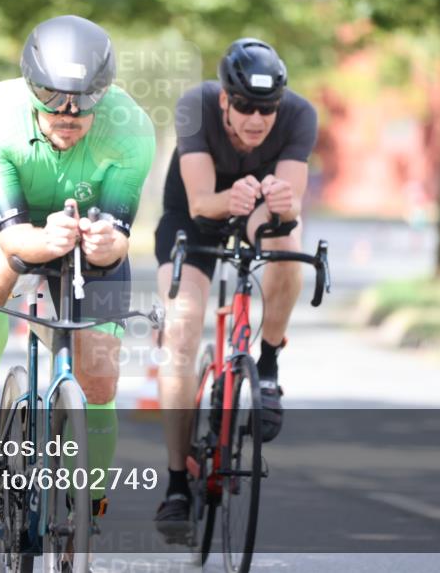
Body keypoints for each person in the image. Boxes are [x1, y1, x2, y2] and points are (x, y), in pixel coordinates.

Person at [0, 15, 155, 516]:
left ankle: (90, 504)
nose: (67, 112)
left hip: (81, 217)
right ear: (29, 85)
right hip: (3, 205)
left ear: (102, 95)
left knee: (101, 376)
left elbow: (120, 239)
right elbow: (15, 238)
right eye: (51, 97)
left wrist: (107, 243)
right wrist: (43, 242)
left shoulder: (132, 131)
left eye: (83, 102)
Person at [152, 38, 318, 524]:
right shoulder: (195, 106)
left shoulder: (300, 115)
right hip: (192, 216)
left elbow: (290, 207)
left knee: (287, 241)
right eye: (244, 105)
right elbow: (202, 200)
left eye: (266, 109)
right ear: (224, 98)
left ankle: (266, 365)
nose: (255, 119)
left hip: (258, 211)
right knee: (181, 328)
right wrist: (234, 195)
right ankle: (177, 483)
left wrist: (283, 206)